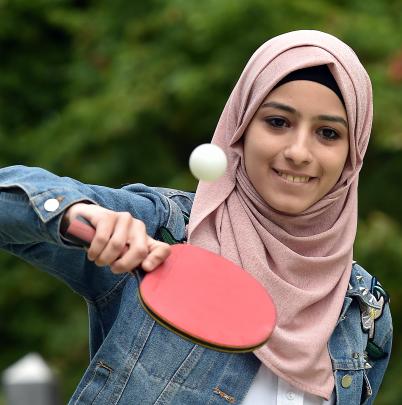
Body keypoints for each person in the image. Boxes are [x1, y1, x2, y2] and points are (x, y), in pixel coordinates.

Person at [0, 30, 392, 404]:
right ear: (241, 129)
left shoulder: (363, 311)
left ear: (351, 155)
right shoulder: (161, 234)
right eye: (277, 122)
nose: (299, 151)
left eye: (328, 133)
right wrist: (75, 214)